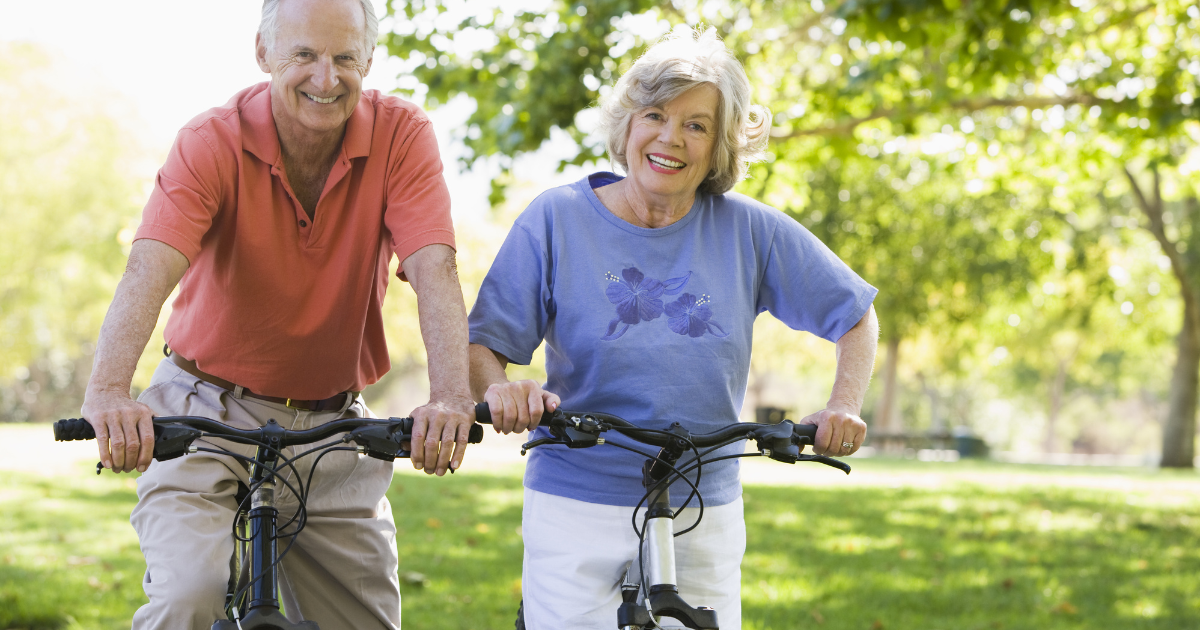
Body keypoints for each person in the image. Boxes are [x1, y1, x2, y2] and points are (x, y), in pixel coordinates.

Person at [78, 0, 475, 627]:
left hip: (331, 423)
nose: (326, 78)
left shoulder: (402, 135)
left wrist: (451, 396)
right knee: (191, 594)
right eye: (305, 56)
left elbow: (435, 267)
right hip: (202, 410)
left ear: (368, 59)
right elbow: (148, 269)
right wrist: (106, 391)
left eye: (345, 57)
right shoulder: (211, 141)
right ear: (264, 54)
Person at [468, 27, 880, 630]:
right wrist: (502, 390)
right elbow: (485, 345)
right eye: (655, 114)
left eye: (697, 124)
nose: (670, 137)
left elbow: (856, 315)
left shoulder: (750, 230)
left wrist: (843, 405)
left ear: (720, 146)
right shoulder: (556, 219)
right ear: (627, 126)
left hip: (702, 503)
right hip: (576, 495)